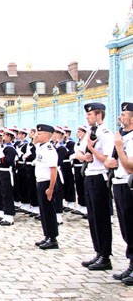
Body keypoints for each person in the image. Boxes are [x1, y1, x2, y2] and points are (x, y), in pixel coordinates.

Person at [76, 102, 114, 270]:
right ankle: (98, 252)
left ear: (99, 115)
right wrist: (84, 157)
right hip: (89, 176)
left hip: (100, 177)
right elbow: (78, 151)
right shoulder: (89, 132)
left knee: (101, 218)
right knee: (92, 218)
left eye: (90, 115)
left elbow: (106, 158)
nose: (87, 117)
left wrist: (92, 150)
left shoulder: (106, 133)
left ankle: (105, 256)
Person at [105, 102, 133, 284]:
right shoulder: (122, 136)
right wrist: (109, 162)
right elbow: (110, 161)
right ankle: (132, 264)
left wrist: (120, 147)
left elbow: (130, 166)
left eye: (124, 114)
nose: (120, 118)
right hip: (118, 183)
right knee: (126, 230)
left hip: (129, 185)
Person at [33, 124, 59, 250]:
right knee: (43, 211)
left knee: (49, 211)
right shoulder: (41, 147)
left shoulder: (49, 149)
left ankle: (53, 238)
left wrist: (51, 188)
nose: (37, 135)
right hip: (40, 181)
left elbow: (53, 170)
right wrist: (36, 137)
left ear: (47, 135)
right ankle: (47, 235)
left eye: (40, 133)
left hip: (47, 183)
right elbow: (34, 143)